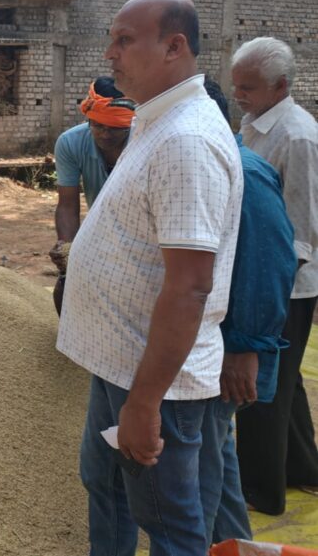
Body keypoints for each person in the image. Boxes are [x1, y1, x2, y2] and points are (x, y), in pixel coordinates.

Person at [57, 0, 243, 556]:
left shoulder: (186, 140)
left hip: (154, 379)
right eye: (111, 39)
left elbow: (189, 286)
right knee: (106, 485)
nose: (109, 54)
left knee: (168, 523)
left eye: (124, 40)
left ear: (173, 47)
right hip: (119, 359)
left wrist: (144, 403)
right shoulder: (155, 121)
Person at [197, 78, 295, 546]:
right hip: (211, 342)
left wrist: (245, 347)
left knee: (202, 467)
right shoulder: (211, 164)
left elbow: (269, 263)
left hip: (225, 346)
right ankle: (235, 545)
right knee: (216, 456)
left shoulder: (245, 173)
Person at [230, 36, 318, 515]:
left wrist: (269, 298)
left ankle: (261, 491)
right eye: (236, 85)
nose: (238, 95)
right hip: (261, 270)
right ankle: (303, 468)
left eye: (248, 87)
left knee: (260, 384)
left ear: (280, 86)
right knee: (286, 380)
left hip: (285, 280)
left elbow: (303, 230)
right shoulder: (253, 122)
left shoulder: (298, 137)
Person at [49, 77, 135, 314]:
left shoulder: (145, 141)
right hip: (100, 226)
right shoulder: (70, 143)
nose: (105, 135)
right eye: (98, 126)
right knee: (67, 285)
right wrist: (67, 249)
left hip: (141, 230)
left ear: (129, 124)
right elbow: (67, 205)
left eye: (115, 129)